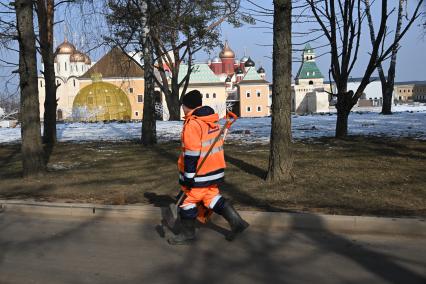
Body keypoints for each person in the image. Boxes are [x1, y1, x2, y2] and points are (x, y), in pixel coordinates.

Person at [168, 90, 249, 245]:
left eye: (183, 105)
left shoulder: (193, 124)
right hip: (215, 171)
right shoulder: (211, 121)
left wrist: (189, 177)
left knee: (187, 202)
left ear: (188, 106)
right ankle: (237, 223)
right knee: (211, 197)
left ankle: (188, 234)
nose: (182, 108)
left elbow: (192, 153)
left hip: (200, 174)